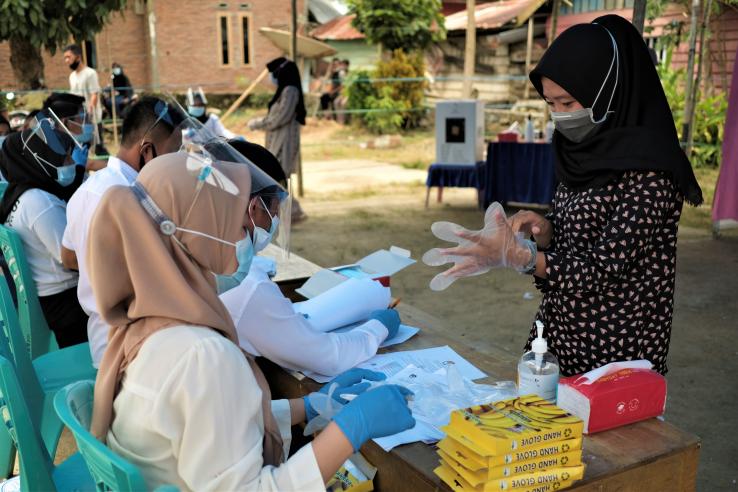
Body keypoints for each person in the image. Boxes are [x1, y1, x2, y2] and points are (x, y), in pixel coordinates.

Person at [87, 149, 415, 490]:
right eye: (235, 227)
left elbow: (204, 426)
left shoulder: (144, 328)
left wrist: (307, 407)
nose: (242, 242)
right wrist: (350, 430)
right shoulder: (202, 355)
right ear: (195, 239)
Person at [424, 15, 703, 377]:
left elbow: (604, 269)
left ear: (608, 91)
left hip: (618, 354)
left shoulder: (654, 172)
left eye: (569, 103)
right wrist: (547, 227)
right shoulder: (580, 152)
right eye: (551, 103)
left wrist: (523, 257)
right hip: (560, 339)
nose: (560, 115)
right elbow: (579, 231)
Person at [219, 139, 401, 376]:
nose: (275, 218)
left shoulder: (199, 250)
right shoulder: (247, 284)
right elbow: (327, 357)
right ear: (254, 208)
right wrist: (378, 328)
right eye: (275, 209)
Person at [61, 97, 186, 367]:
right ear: (147, 151)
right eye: (174, 154)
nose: (178, 165)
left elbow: (69, 258)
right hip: (131, 346)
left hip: (103, 337)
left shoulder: (86, 191)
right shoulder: (131, 200)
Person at [0, 115, 88, 347]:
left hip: (50, 298)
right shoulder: (40, 202)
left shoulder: (18, 194)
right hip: (68, 302)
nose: (70, 161)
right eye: (63, 157)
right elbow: (72, 259)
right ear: (41, 161)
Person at [248, 57, 307, 222]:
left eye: (272, 73)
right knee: (278, 179)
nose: (271, 77)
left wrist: (258, 123)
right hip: (278, 141)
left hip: (284, 143)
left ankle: (290, 213)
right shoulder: (285, 90)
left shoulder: (290, 91)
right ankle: (290, 213)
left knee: (279, 179)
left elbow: (280, 117)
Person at [63, 44, 108, 155]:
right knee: (81, 148)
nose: (66, 60)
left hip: (91, 117)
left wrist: (89, 113)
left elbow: (94, 94)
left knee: (97, 147)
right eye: (65, 58)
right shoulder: (72, 76)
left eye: (69, 57)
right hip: (78, 118)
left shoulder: (90, 73)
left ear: (78, 57)